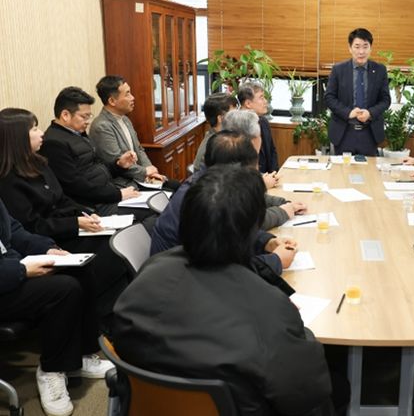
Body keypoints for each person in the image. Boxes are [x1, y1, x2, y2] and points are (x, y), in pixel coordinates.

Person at [111, 165, 334, 416]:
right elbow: (309, 391)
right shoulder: (270, 312)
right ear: (252, 231)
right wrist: (301, 331)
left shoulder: (148, 274)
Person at [0, 108, 129, 318]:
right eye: (34, 129)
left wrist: (85, 214)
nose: (41, 133)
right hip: (52, 235)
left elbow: (61, 199)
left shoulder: (39, 163)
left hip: (58, 233)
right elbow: (32, 226)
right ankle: (105, 316)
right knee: (106, 252)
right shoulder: (7, 179)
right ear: (17, 138)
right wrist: (74, 224)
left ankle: (115, 311)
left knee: (117, 242)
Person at [0, 199, 113, 416]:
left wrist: (48, 248)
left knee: (80, 269)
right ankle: (51, 370)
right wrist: (22, 270)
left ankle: (80, 356)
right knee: (63, 290)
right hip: (8, 277)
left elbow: (15, 232)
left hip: (10, 269)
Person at [150, 129, 297, 273]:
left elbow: (234, 231)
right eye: (254, 169)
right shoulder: (208, 200)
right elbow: (222, 271)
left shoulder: (213, 187)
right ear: (234, 171)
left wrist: (267, 242)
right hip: (178, 277)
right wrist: (275, 261)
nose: (257, 173)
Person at [40, 87, 141, 216]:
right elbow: (75, 186)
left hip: (107, 192)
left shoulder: (77, 133)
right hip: (92, 206)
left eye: (89, 116)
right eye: (84, 116)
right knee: (148, 214)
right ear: (65, 115)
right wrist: (118, 194)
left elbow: (96, 166)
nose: (88, 121)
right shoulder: (53, 143)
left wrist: (119, 165)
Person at [222, 109, 306, 227]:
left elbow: (249, 195)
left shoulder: (231, 156)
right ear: (251, 140)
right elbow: (249, 221)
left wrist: (285, 203)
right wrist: (283, 212)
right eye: (260, 134)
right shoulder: (233, 167)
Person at [89, 75, 166, 188]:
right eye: (127, 94)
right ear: (112, 101)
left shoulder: (125, 119)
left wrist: (151, 171)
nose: (132, 97)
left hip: (139, 178)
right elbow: (117, 164)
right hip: (122, 184)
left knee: (175, 187)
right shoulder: (102, 127)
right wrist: (145, 172)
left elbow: (138, 149)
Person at [324, 27, 391, 156]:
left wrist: (370, 113)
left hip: (369, 133)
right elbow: (329, 97)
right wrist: (348, 112)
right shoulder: (338, 69)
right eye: (357, 46)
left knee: (369, 169)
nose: (361, 51)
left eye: (365, 46)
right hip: (344, 133)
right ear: (350, 48)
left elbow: (385, 100)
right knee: (343, 169)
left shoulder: (380, 70)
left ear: (370, 48)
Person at [238, 82, 279, 174]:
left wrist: (274, 173)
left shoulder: (263, 121)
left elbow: (272, 151)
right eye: (261, 97)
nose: (265, 101)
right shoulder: (236, 125)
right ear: (248, 103)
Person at [192, 92, 238, 171]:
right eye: (234, 114)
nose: (238, 117)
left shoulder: (224, 137)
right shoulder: (212, 148)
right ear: (220, 118)